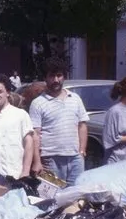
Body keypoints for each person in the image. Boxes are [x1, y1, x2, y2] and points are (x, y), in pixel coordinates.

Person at [29, 57, 88, 185]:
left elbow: (82, 125)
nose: (56, 80)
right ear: (45, 78)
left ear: (64, 77)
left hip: (75, 158)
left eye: (59, 75)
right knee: (53, 198)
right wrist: (37, 161)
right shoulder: (38, 103)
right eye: (52, 76)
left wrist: (82, 151)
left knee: (76, 195)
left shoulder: (75, 98)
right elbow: (35, 135)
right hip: (50, 159)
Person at [0, 74, 34, 179]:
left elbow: (29, 143)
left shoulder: (20, 115)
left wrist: (26, 171)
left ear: (8, 93)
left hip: (13, 174)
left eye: (0, 91)